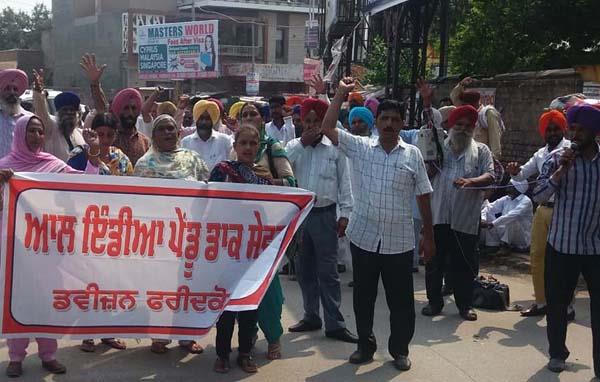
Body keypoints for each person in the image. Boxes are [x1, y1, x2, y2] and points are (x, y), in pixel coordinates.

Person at [321, 78, 435, 372]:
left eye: (394, 119)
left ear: (401, 124)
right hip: (364, 237)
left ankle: (399, 350)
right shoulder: (360, 147)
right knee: (363, 298)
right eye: (384, 118)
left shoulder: (413, 154)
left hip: (399, 241)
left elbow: (424, 196)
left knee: (401, 303)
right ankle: (365, 345)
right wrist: (340, 95)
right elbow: (328, 127)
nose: (388, 124)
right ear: (377, 121)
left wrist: (429, 237)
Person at [0, 114, 102, 377]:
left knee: (48, 301)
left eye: (39, 132)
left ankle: (48, 354)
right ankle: (16, 357)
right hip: (16, 247)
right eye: (30, 131)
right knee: (18, 301)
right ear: (19, 134)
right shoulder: (5, 167)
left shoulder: (54, 165)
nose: (35, 137)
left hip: (49, 246)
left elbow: (81, 185)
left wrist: (93, 155)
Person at [532, 104, 600, 377]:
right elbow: (537, 194)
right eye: (572, 128)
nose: (575, 134)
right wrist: (560, 171)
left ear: (594, 133)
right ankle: (558, 354)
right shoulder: (558, 158)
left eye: (581, 130)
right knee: (558, 305)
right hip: (562, 245)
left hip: (595, 247)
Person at [133, 114, 209, 355]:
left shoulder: (193, 159)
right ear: (153, 135)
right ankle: (159, 336)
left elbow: (208, 192)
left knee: (187, 287)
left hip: (189, 237)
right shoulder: (144, 164)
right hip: (158, 239)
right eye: (162, 129)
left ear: (178, 133)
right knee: (159, 289)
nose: (168, 133)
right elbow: (137, 203)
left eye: (172, 129)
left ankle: (187, 336)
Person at [285, 98, 357, 344]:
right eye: (308, 121)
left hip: (326, 215)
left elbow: (345, 183)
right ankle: (311, 315)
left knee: (328, 273)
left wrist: (345, 214)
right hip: (300, 216)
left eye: (317, 121)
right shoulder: (294, 145)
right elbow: (282, 162)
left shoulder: (335, 147)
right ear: (301, 122)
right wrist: (302, 143)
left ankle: (335, 323)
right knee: (304, 270)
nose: (313, 126)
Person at [423, 105, 495, 322]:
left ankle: (464, 305)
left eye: (468, 126)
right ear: (451, 126)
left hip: (465, 219)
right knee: (434, 262)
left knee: (464, 264)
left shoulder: (481, 150)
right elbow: (430, 127)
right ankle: (434, 302)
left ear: (473, 129)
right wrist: (427, 102)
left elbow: (491, 175)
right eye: (459, 125)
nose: (463, 129)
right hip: (439, 216)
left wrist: (470, 181)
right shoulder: (439, 149)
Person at [209, 124, 271, 374]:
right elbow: (208, 203)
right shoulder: (222, 171)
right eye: (243, 143)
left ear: (258, 147)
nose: (247, 148)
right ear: (234, 147)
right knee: (225, 304)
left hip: (253, 248)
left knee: (248, 304)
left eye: (252, 144)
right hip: (226, 246)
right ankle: (222, 354)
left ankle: (244, 353)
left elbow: (272, 211)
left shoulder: (264, 177)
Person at [238, 102, 296, 359]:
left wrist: (263, 182)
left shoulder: (273, 147)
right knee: (240, 286)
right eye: (245, 114)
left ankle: (273, 337)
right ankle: (247, 335)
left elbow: (291, 182)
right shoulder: (236, 148)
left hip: (268, 229)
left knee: (268, 288)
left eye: (254, 114)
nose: (250, 117)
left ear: (262, 119)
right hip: (240, 231)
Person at [506, 109, 571, 318]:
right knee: (536, 257)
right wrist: (515, 170)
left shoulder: (569, 149)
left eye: (556, 128)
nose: (552, 132)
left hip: (563, 210)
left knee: (561, 260)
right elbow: (523, 174)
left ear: (562, 130)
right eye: (548, 129)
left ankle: (565, 307)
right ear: (543, 132)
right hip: (542, 210)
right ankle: (541, 302)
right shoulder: (541, 154)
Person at [79, 53, 151, 166]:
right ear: (117, 109)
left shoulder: (145, 142)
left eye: (133, 108)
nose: (130, 113)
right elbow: (102, 108)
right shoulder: (109, 135)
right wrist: (95, 84)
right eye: (126, 108)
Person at [31, 71, 85, 162]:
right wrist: (38, 92)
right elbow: (42, 112)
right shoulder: (51, 127)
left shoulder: (80, 133)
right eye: (65, 110)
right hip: (54, 174)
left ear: (77, 114)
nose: (68, 113)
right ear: (58, 113)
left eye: (72, 110)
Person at [450, 77, 504, 158]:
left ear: (473, 103)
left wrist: (493, 160)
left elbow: (495, 142)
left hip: (482, 159)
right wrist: (461, 84)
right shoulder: (466, 113)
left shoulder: (488, 113)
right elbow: (453, 97)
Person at [68, 112, 133, 176]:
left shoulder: (121, 159)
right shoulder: (79, 155)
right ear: (93, 133)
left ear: (115, 135)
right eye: (100, 135)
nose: (105, 139)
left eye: (110, 135)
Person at [481, 179, 533, 252]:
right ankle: (493, 245)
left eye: (510, 185)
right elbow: (489, 207)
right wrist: (483, 219)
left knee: (512, 219)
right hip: (507, 232)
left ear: (517, 187)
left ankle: (505, 246)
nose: (507, 187)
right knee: (488, 215)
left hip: (521, 238)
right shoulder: (506, 198)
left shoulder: (526, 201)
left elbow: (513, 215)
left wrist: (493, 224)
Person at [181, 100, 233, 171]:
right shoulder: (185, 142)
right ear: (196, 119)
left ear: (213, 120)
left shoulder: (225, 141)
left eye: (208, 119)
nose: (204, 122)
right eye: (201, 118)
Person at [0, 69, 31, 158]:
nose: (12, 92)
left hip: (23, 170)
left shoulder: (29, 119)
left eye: (15, 89)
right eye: (7, 88)